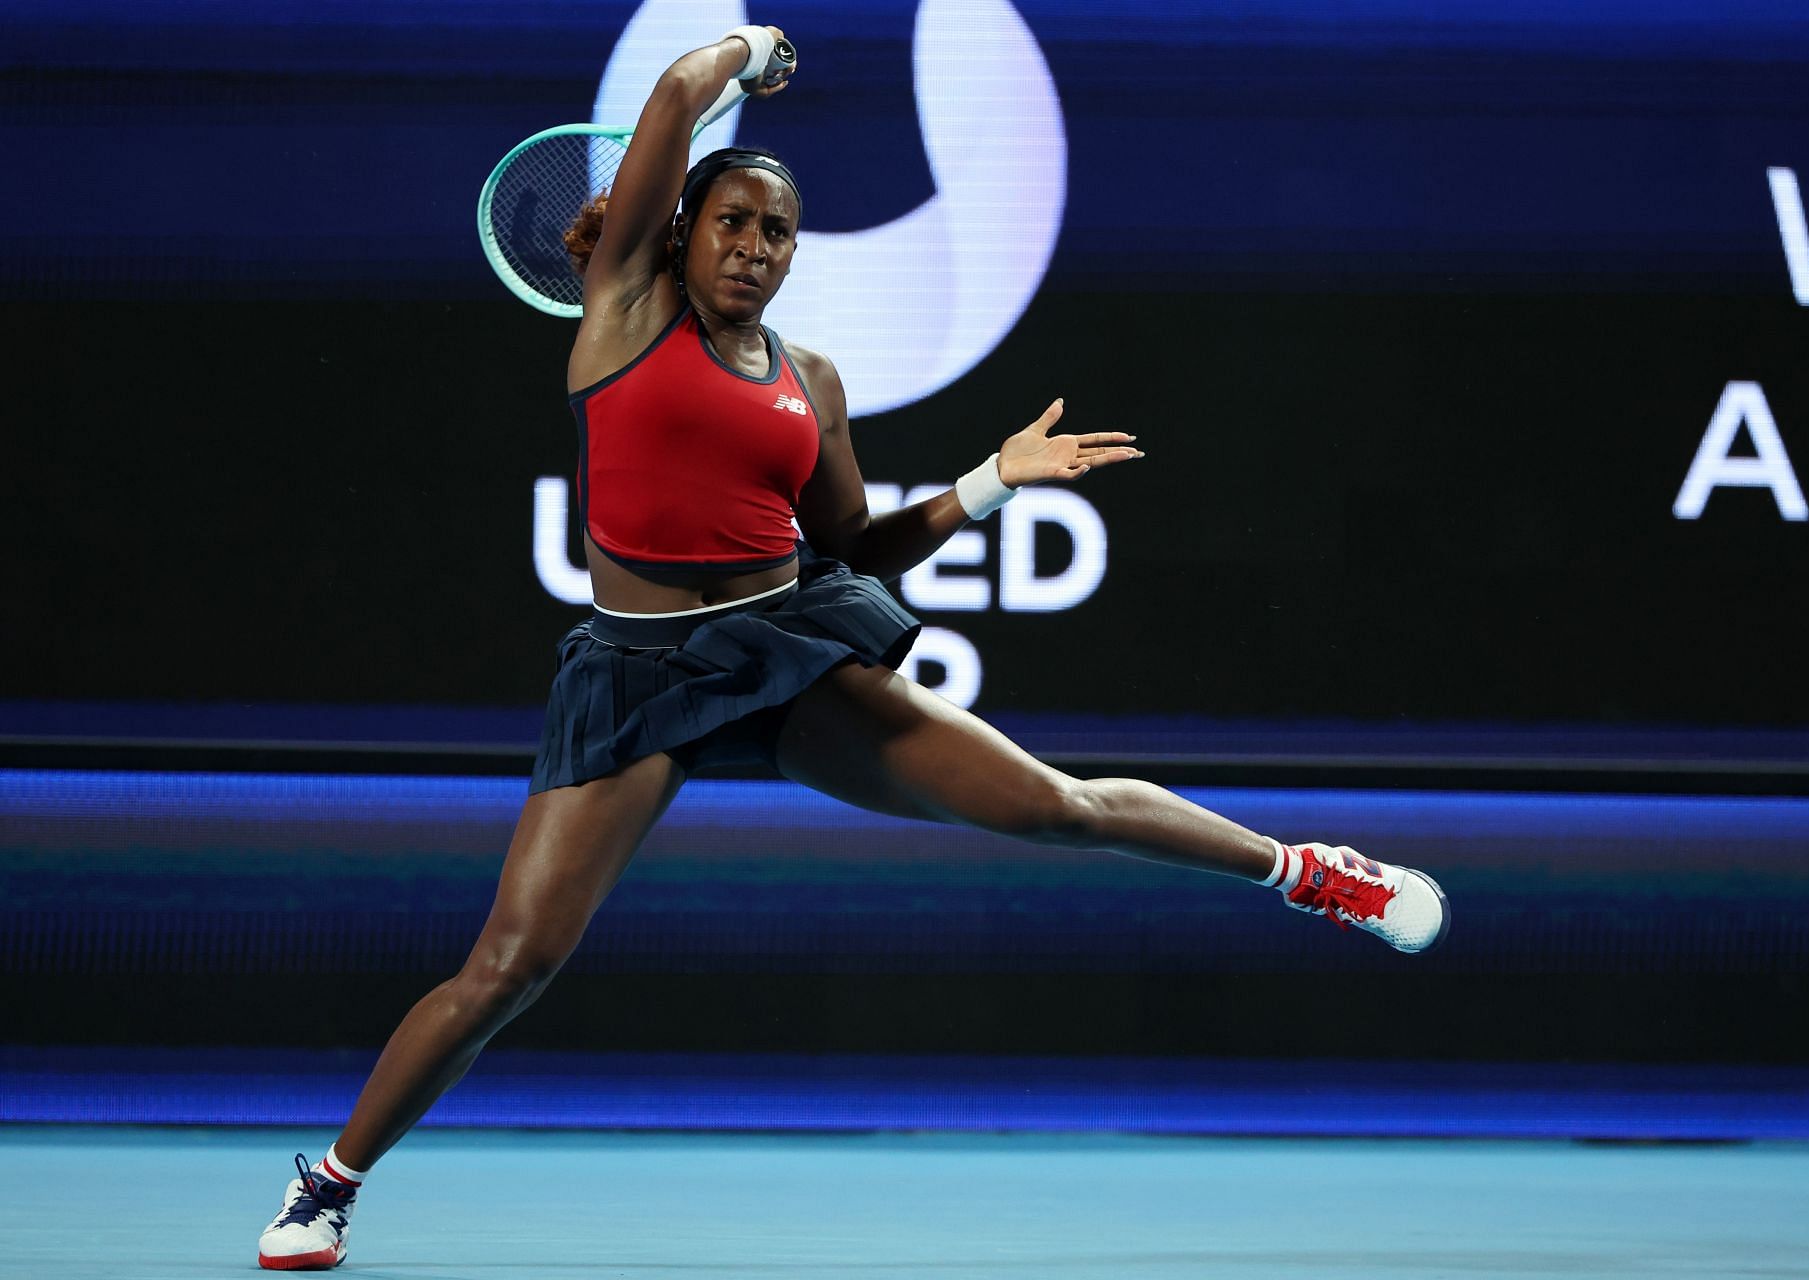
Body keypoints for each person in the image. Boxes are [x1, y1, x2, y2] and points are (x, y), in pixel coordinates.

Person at [256, 24, 1448, 1271]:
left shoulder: (809, 379)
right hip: (636, 672)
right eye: (732, 222)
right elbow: (677, 88)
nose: (756, 248)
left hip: (785, 647)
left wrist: (992, 481)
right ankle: (327, 1185)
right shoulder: (623, 310)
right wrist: (752, 50)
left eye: (777, 233)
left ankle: (1311, 871)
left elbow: (853, 549)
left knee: (1055, 803)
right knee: (510, 963)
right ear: (678, 229)